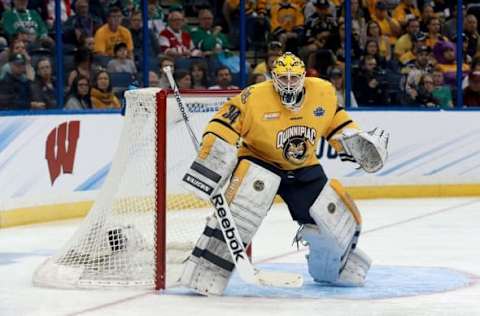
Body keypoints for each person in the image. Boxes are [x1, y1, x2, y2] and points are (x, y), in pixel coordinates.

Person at [179, 52, 389, 296]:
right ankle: (205, 270)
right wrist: (213, 155)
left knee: (331, 221)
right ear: (273, 78)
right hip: (259, 160)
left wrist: (355, 142)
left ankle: (332, 269)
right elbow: (223, 123)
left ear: (304, 77)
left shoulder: (323, 91)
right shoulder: (254, 96)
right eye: (283, 78)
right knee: (241, 214)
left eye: (294, 78)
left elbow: (336, 122)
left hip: (303, 167)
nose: (289, 83)